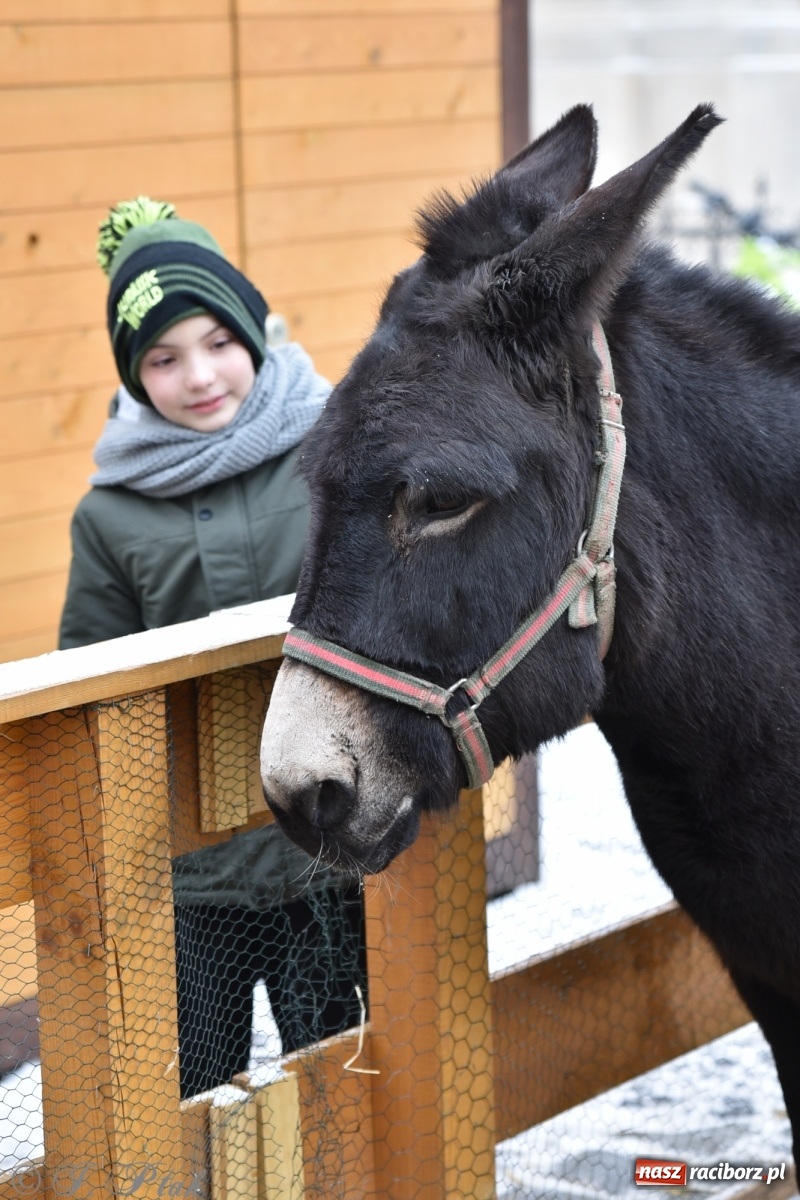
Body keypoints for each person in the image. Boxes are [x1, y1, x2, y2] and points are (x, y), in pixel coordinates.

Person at [59, 197, 366, 1098]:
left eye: (217, 341)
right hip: (195, 880)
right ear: (132, 374)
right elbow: (92, 678)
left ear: (254, 330)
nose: (199, 375)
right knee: (191, 1091)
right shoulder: (110, 514)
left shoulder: (333, 445)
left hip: (326, 846)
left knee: (342, 1074)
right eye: (162, 357)